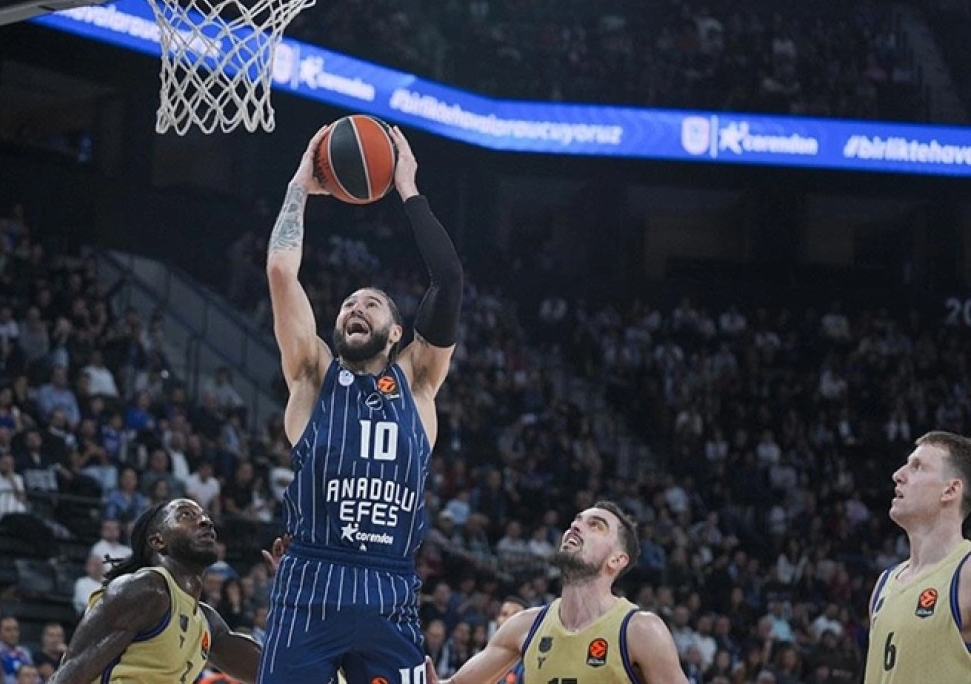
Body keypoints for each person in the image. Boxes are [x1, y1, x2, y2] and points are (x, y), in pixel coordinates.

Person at [260, 125, 462, 684]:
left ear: (396, 331)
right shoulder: (311, 374)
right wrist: (301, 183)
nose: (356, 307)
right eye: (349, 302)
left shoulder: (420, 381)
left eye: (371, 303)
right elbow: (281, 270)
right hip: (310, 586)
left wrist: (407, 188)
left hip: (390, 590)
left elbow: (447, 278)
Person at [425, 504, 687, 684]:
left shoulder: (640, 630)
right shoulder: (526, 626)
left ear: (617, 559)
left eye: (595, 525)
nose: (576, 526)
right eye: (576, 521)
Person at [47, 499, 261, 684]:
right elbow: (69, 673)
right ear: (157, 540)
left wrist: (291, 585)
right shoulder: (146, 589)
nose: (206, 521)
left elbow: (271, 672)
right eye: (186, 515)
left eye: (205, 516)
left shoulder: (207, 622)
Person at [863, 431, 971, 683]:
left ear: (951, 489)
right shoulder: (884, 583)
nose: (898, 475)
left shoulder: (966, 572)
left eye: (918, 467)